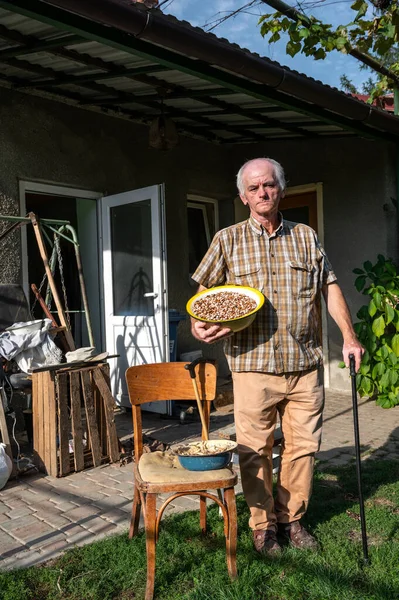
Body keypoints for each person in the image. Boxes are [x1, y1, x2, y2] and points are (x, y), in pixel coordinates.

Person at [190, 157, 364, 555]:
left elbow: (330, 287)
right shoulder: (227, 239)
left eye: (268, 185)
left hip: (304, 365)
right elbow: (204, 294)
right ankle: (262, 525)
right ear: (242, 196)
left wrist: (349, 338)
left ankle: (293, 520)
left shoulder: (306, 236)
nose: (262, 193)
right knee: (255, 451)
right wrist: (199, 322)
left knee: (303, 448)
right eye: (253, 188)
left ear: (281, 189)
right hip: (253, 366)